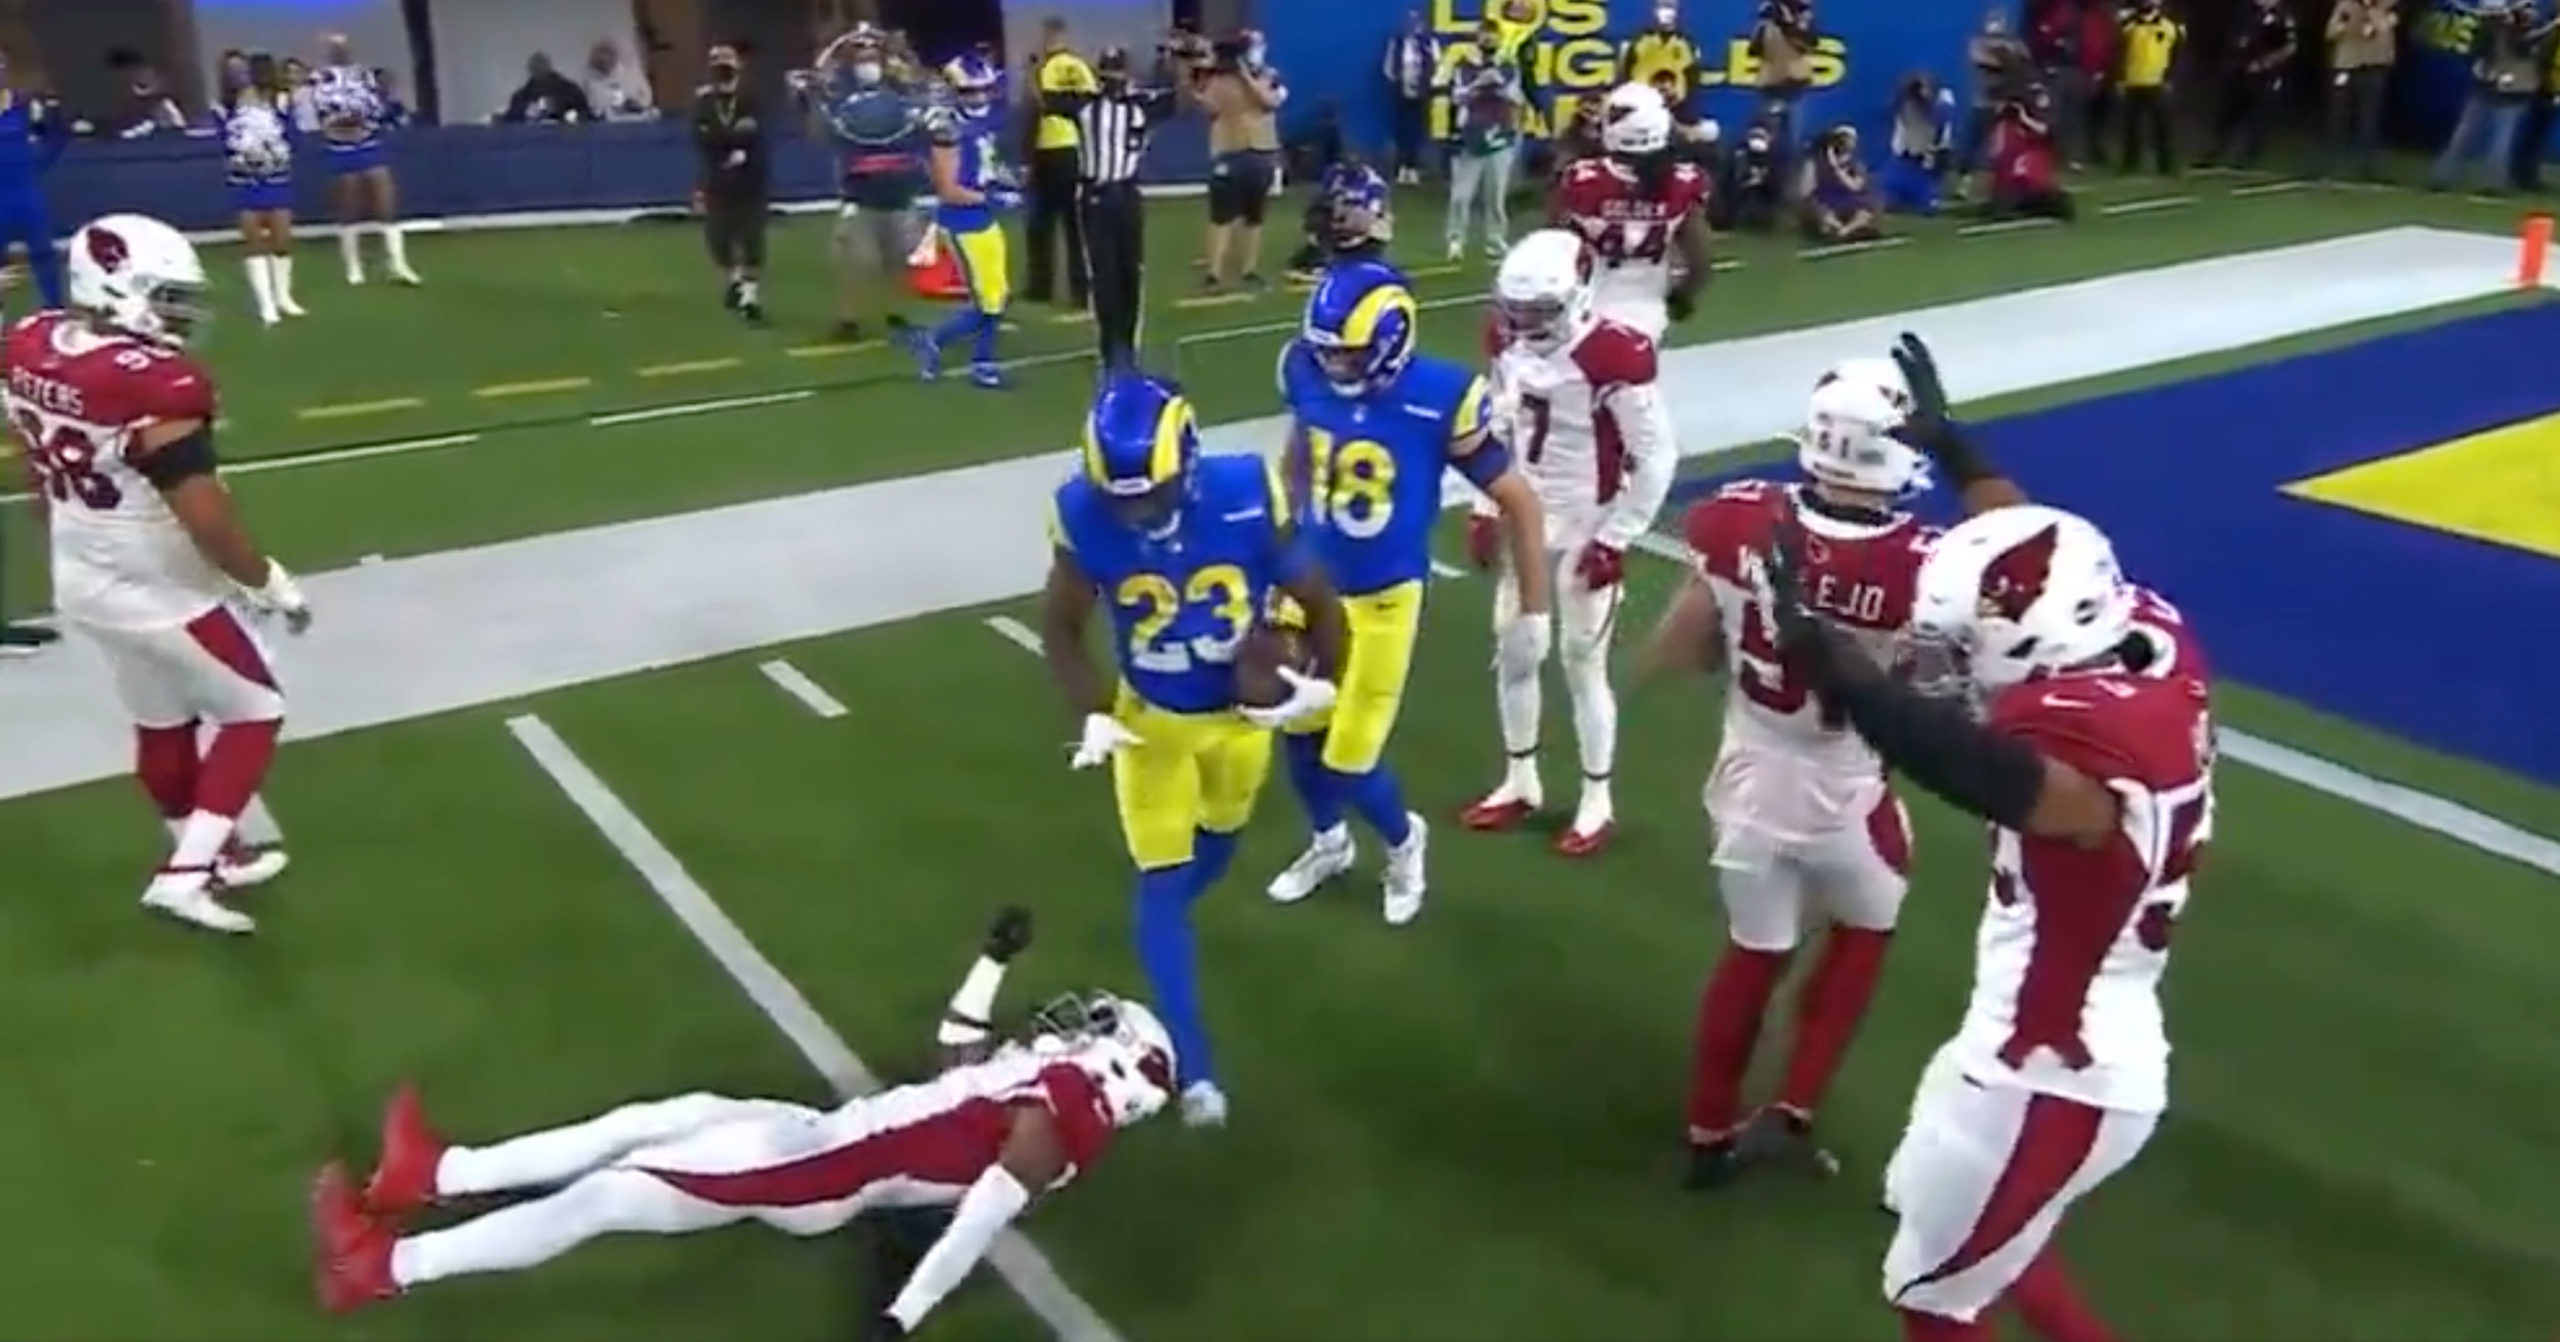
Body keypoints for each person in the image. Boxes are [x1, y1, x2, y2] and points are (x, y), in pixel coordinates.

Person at [1745, 333, 2210, 1342]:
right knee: (1977, 1243)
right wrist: (1956, 449)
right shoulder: (2143, 630)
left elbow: (1981, 771)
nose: (1954, 661)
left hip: (2054, 1069)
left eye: (1966, 647)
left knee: (1933, 1297)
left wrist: (1837, 667)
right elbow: (2024, 547)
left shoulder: (2083, 749)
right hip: (2040, 1041)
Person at [312, 905, 1179, 1335]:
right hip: (824, 1137)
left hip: (822, 1170)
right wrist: (991, 963)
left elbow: (982, 1214)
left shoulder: (1068, 1112)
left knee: (608, 1199)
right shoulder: (1048, 1088)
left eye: (1097, 1026)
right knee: (662, 1116)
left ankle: (385, 1264)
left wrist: (901, 1316)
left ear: (1113, 1064)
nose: (1076, 1022)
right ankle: (438, 1175)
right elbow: (957, 1053)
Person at [1636, 357, 1944, 1188]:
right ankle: (1796, 1104)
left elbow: (1681, 644)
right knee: (1867, 926)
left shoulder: (1736, 517)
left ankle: (1706, 1134)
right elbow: (1938, 694)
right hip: (1847, 784)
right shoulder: (1926, 563)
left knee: (1753, 950)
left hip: (1747, 772)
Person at [1037, 374, 1347, 1126]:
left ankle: (1166, 935)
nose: (1137, 512)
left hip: (1241, 722)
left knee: (1217, 849)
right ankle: (1196, 1068)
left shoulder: (1246, 491)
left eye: (1151, 493)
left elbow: (1322, 604)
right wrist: (1094, 715)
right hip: (1150, 724)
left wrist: (1322, 687)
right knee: (1163, 889)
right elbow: (1060, 628)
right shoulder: (1083, 511)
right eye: (1122, 498)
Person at [3, 214, 308, 934]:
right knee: (255, 711)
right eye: (167, 298)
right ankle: (185, 875)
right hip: (155, 582)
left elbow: (35, 467)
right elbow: (202, 513)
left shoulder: (30, 343)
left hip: (81, 572)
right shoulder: (157, 384)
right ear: (119, 290)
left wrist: (58, 530)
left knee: (161, 717)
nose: (180, 315)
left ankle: (210, 854)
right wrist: (266, 581)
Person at [1263, 262, 1551, 924]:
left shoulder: (1442, 395)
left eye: (1351, 351)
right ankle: (1329, 843)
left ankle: (1403, 843)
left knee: (1352, 757)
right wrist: (1285, 534)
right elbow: (1298, 452)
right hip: (1311, 588)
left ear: (1392, 340)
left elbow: (1518, 500)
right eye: (1327, 350)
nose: (1335, 363)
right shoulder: (1304, 370)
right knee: (1298, 735)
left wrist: (1533, 609)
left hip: (1384, 599)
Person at [1459, 230, 1674, 855]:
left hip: (1587, 517)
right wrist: (1483, 500)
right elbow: (1499, 417)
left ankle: (1596, 800)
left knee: (1583, 663)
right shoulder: (1503, 336)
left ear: (1578, 296)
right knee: (1517, 650)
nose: (1524, 323)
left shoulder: (1614, 352)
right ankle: (1519, 780)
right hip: (1526, 513)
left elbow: (1656, 456)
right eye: (1516, 310)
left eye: (1537, 312)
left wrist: (1619, 535)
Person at [1549, 83, 1710, 341]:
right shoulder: (1684, 181)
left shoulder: (1582, 178)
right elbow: (1701, 262)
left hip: (1587, 300)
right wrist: (1682, 298)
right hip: (1647, 305)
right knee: (1635, 376)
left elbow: (1552, 243)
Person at [801, 23, 927, 343]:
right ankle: (848, 319)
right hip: (860, 194)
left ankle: (898, 315)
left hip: (899, 191)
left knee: (899, 260)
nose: (867, 65)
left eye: (872, 57)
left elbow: (920, 123)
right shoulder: (841, 102)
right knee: (856, 261)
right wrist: (813, 98)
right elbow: (820, 134)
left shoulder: (900, 98)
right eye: (861, 58)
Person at [902, 53, 1018, 390]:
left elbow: (986, 164)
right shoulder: (947, 130)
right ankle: (940, 342)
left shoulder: (986, 122)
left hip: (982, 217)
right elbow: (948, 190)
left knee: (997, 295)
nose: (979, 97)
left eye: (983, 90)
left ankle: (980, 359)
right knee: (987, 300)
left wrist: (1003, 181)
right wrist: (994, 197)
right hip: (961, 221)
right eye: (970, 91)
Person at [1062, 47, 1174, 369]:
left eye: (1117, 72)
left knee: (1130, 273)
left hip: (1126, 194)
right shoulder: (1084, 104)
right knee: (1105, 275)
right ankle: (1109, 347)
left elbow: (1184, 100)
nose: (1113, 79)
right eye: (1107, 73)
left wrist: (1180, 61)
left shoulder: (1141, 105)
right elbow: (1045, 99)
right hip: (1096, 195)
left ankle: (1127, 345)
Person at [311, 36, 420, 286]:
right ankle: (353, 267)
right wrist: (342, 119)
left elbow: (375, 105)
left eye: (344, 46)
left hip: (369, 142)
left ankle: (397, 264)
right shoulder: (320, 78)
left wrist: (368, 115)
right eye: (335, 47)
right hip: (340, 145)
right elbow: (323, 110)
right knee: (348, 206)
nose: (341, 50)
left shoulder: (363, 75)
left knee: (385, 202)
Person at [1185, 32, 1285, 292]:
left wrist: (1245, 77)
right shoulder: (1219, 81)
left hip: (1261, 150)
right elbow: (1208, 107)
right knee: (1221, 215)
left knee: (1255, 215)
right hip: (1230, 151)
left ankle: (1249, 269)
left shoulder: (1269, 76)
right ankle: (1213, 273)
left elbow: (1268, 102)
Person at [218, 52, 306, 326]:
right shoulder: (224, 107)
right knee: (254, 241)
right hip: (244, 180)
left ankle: (284, 297)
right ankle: (266, 305)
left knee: (282, 239)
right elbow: (223, 139)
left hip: (276, 176)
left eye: (243, 70)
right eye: (232, 70)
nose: (239, 75)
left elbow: (292, 133)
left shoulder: (278, 102)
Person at [693, 42, 769, 324]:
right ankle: (735, 279)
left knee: (751, 237)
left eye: (727, 61)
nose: (722, 68)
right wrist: (732, 141)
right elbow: (702, 138)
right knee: (718, 239)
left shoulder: (751, 99)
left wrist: (726, 141)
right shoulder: (703, 103)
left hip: (750, 181)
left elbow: (756, 133)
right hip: (717, 181)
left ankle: (750, 298)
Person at [1026, 19, 1095, 309]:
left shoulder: (1047, 68)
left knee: (1042, 222)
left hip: (1050, 148)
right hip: (1074, 148)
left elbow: (1042, 102)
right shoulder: (1080, 66)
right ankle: (1080, 289)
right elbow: (1091, 99)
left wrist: (1031, 77)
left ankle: (1041, 286)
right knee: (1073, 224)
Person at [1444, 28, 1526, 262]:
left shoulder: (1508, 67)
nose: (1489, 41)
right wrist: (1478, 84)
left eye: (1493, 37)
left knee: (1495, 194)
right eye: (1485, 36)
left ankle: (1495, 239)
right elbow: (1457, 97)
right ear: (1477, 40)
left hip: (1501, 135)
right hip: (1471, 136)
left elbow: (1516, 98)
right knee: (1461, 195)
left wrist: (1498, 82)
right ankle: (1455, 240)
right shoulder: (1464, 66)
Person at [0, 52, 69, 312]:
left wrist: (40, 162)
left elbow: (56, 134)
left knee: (43, 253)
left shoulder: (25, 106)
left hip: (25, 192)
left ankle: (54, 311)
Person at [2198, 0, 2298, 170]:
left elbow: (2289, 46)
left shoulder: (2282, 16)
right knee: (2228, 112)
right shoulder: (2246, 12)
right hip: (2239, 69)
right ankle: (2217, 151)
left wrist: (2266, 63)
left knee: (2257, 116)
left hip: (2264, 73)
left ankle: (2249, 158)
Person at [2315, 0, 2395, 181]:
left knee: (2369, 117)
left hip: (2373, 66)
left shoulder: (2387, 5)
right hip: (2346, 64)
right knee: (2337, 115)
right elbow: (2330, 32)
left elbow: (2383, 29)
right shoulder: (2346, 5)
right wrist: (2344, 26)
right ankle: (2327, 163)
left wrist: (2371, 14)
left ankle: (2367, 166)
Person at [2116, 0, 2181, 175]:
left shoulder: (2169, 27)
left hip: (2157, 83)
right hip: (2133, 81)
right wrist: (2120, 78)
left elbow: (2177, 55)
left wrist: (2170, 77)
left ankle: (2166, 164)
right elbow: (2121, 53)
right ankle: (2130, 163)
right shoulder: (2129, 26)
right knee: (2132, 127)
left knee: (2161, 127)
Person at [1381, 11, 1442, 184]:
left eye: (1416, 22)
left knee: (1419, 129)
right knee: (1402, 129)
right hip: (1401, 91)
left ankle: (1414, 167)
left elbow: (1437, 66)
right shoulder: (1398, 43)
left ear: (1422, 25)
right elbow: (1389, 66)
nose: (1412, 26)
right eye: (1409, 22)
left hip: (1423, 92)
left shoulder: (1430, 43)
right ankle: (1401, 168)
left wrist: (1427, 83)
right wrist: (1399, 82)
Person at [1799, 124, 1884, 242]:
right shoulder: (1816, 162)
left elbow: (1855, 186)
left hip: (1849, 199)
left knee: (1871, 203)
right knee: (1814, 206)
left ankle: (1846, 231)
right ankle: (1835, 227)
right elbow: (1805, 191)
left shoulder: (1855, 164)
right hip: (1827, 199)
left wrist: (1836, 168)